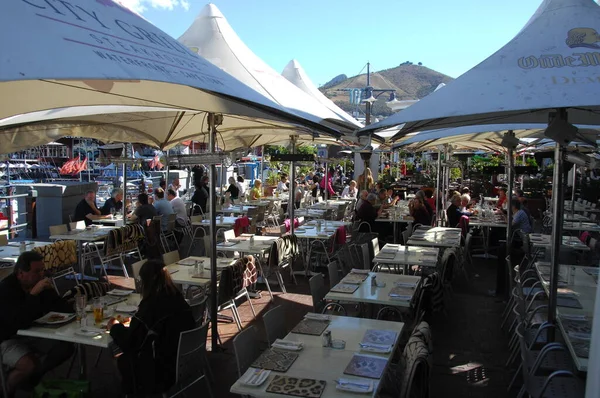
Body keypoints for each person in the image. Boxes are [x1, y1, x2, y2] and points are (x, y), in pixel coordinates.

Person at [108, 259, 194, 396]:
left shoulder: (151, 306)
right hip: (187, 360)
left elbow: (130, 342)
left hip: (162, 370)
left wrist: (115, 327)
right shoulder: (176, 297)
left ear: (145, 282)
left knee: (119, 357)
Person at [0, 252, 74, 396]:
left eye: (42, 270)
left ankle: (33, 378)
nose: (42, 275)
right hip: (7, 338)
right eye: (37, 271)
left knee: (66, 347)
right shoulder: (6, 290)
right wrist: (33, 295)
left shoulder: (38, 285)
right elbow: (17, 322)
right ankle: (6, 390)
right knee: (28, 365)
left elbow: (64, 310)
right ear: (21, 273)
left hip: (34, 334)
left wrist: (52, 292)